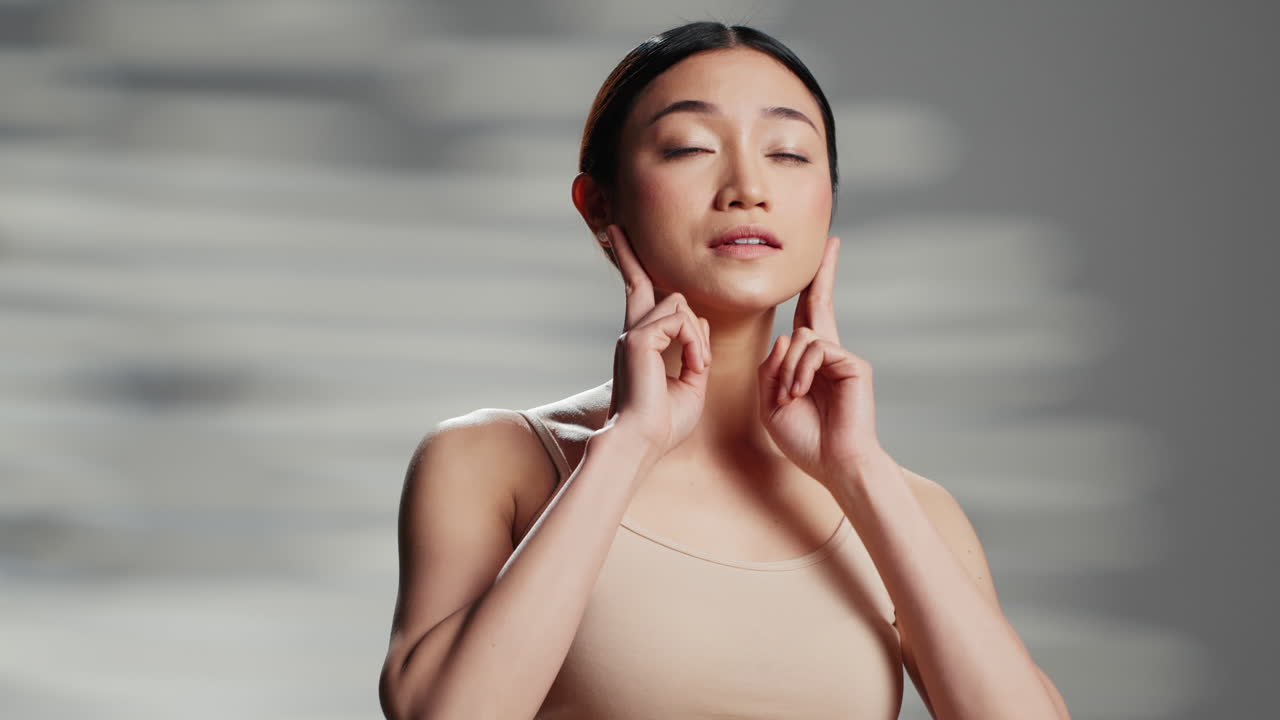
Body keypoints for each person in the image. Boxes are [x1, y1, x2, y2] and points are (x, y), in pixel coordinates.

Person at [378, 21, 1071, 720]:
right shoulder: (491, 462)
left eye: (789, 153)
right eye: (689, 148)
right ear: (599, 204)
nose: (747, 187)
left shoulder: (908, 507)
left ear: (829, 197)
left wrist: (860, 474)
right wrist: (628, 446)